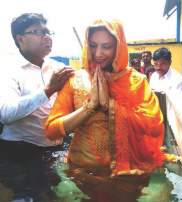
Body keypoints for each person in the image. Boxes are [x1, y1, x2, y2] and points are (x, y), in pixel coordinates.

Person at [45, 19, 168, 202]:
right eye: (93, 45)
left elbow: (153, 127)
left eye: (107, 46)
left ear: (119, 47)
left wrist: (110, 107)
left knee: (161, 195)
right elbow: (51, 130)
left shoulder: (137, 81)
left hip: (129, 174)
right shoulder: (76, 80)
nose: (98, 53)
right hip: (81, 173)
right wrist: (90, 107)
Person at [0, 13, 74, 201]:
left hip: (54, 148)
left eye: (48, 32)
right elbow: (6, 113)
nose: (47, 36)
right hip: (20, 151)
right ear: (20, 39)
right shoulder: (8, 69)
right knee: (30, 196)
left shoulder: (57, 68)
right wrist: (48, 91)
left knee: (62, 192)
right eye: (38, 32)